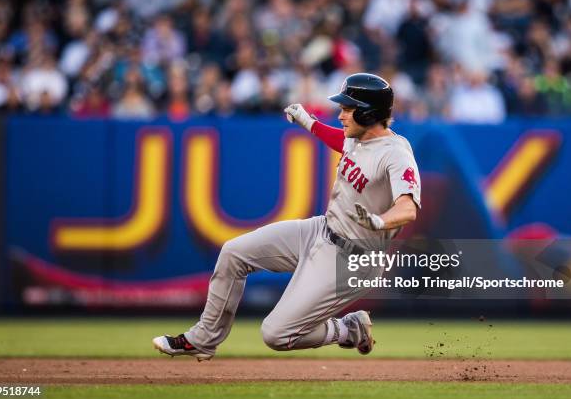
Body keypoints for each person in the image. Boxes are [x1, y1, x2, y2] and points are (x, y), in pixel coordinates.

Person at [153, 73, 421, 361]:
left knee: (276, 334)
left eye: (347, 108)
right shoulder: (357, 138)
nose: (341, 114)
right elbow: (342, 143)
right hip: (321, 230)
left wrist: (380, 221)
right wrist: (310, 124)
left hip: (353, 259)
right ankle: (203, 339)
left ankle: (348, 329)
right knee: (234, 253)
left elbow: (407, 207)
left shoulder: (396, 154)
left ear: (368, 113)